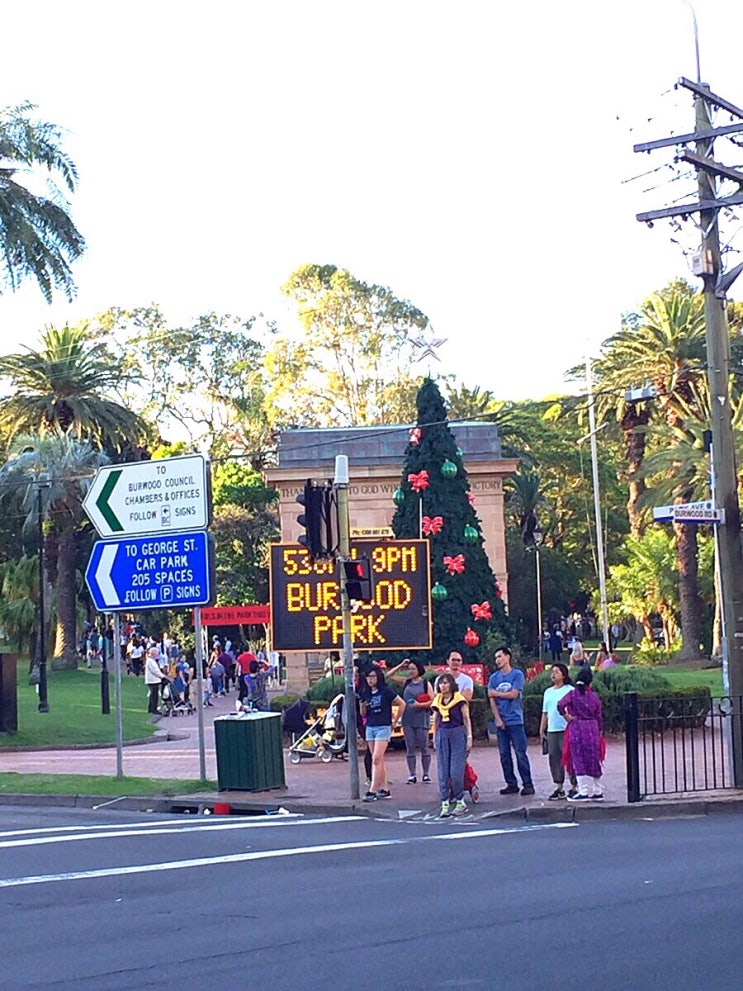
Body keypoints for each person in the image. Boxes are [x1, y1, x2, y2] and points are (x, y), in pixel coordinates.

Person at [488, 646, 534, 796]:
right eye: (496, 657)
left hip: (515, 720)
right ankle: (511, 783)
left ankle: (527, 783)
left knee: (520, 753)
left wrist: (496, 693)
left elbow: (514, 694)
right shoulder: (494, 677)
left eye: (500, 656)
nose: (497, 660)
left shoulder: (517, 674)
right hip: (502, 721)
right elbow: (491, 700)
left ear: (508, 657)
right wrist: (497, 718)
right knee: (504, 754)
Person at [359, 663, 405, 802]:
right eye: (368, 677)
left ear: (378, 677)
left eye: (372, 676)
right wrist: (362, 706)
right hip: (371, 726)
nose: (370, 680)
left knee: (376, 758)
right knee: (378, 760)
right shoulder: (365, 692)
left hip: (383, 726)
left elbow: (402, 703)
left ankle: (372, 790)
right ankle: (384, 789)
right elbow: (363, 714)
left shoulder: (385, 691)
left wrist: (395, 722)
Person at [558, 666, 604, 801]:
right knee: (594, 758)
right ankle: (598, 789)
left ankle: (583, 791)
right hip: (592, 728)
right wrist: (600, 730)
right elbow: (599, 716)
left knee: (578, 759)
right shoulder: (594, 697)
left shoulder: (572, 695)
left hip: (577, 727)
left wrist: (566, 716)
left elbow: (560, 705)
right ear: (590, 682)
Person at [431, 672, 472, 817]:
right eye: (441, 683)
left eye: (446, 682)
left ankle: (460, 801)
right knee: (443, 770)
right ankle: (445, 803)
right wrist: (435, 737)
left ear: (451, 684)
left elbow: (466, 718)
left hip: (457, 733)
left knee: (456, 771)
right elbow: (435, 720)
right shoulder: (437, 700)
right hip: (443, 733)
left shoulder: (459, 699)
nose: (443, 686)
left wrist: (469, 737)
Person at [389, 659, 432, 784]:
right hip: (407, 718)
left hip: (421, 718)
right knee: (410, 747)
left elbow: (432, 700)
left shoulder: (425, 683)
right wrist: (400, 665)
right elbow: (389, 675)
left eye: (413, 669)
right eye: (410, 669)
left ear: (419, 670)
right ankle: (412, 774)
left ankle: (426, 774)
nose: (411, 671)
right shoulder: (407, 682)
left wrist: (420, 704)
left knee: (424, 747)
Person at [539, 663, 578, 800]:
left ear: (563, 674)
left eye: (556, 672)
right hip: (552, 729)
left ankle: (574, 785)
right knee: (554, 757)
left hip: (566, 728)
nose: (553, 674)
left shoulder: (570, 690)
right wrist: (542, 728)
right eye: (552, 672)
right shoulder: (548, 692)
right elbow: (545, 712)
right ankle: (558, 786)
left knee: (570, 757)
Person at [144, 646, 164, 715]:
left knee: (153, 695)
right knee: (154, 695)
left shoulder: (152, 660)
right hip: (152, 680)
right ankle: (153, 709)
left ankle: (151, 708)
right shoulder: (150, 661)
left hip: (154, 680)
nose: (157, 654)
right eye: (156, 653)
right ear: (153, 653)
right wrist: (162, 676)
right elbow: (155, 671)